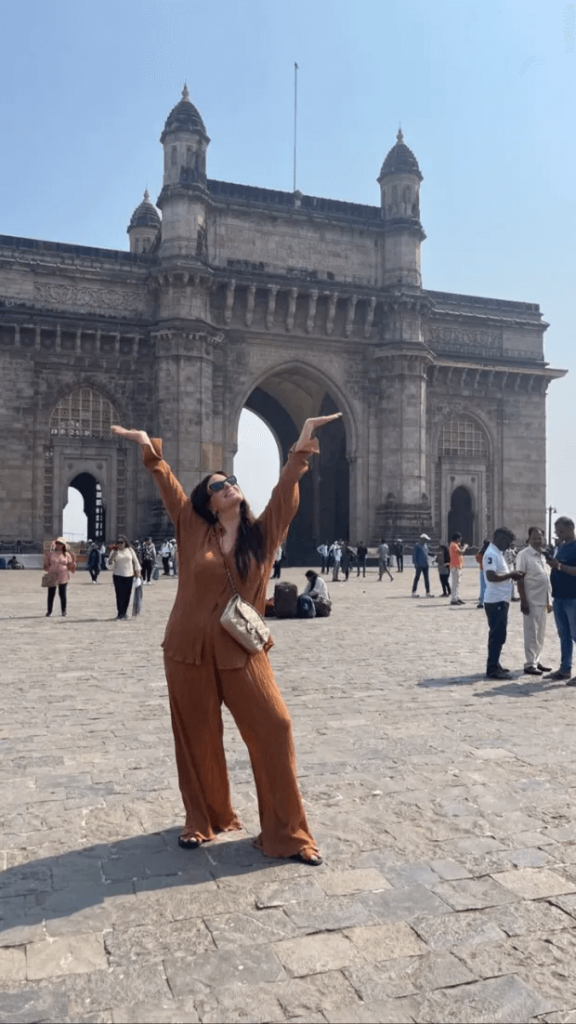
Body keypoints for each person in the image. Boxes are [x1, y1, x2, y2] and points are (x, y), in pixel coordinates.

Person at [111, 412, 341, 866]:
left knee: (275, 728)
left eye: (231, 480)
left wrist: (301, 445)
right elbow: (169, 484)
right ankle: (203, 818)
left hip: (241, 649)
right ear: (209, 503)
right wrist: (149, 448)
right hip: (187, 648)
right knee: (196, 735)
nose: (227, 486)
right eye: (217, 486)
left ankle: (288, 832)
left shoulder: (263, 533)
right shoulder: (192, 527)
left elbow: (285, 494)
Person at [482, 527, 525, 679]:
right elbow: (491, 576)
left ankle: (496, 663)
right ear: (500, 538)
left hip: (500, 599)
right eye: (508, 542)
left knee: (500, 634)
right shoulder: (492, 554)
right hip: (496, 600)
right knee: (497, 634)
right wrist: (511, 574)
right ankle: (492, 668)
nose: (509, 546)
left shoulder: (498, 554)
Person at [516, 527, 552, 676]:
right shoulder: (523, 555)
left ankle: (536, 660)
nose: (537, 541)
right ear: (528, 539)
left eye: (540, 538)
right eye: (535, 538)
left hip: (544, 600)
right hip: (531, 600)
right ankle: (529, 663)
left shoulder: (543, 556)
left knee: (540, 633)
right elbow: (519, 578)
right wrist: (523, 600)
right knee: (531, 632)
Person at [544, 516, 576, 684]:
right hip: (559, 597)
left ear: (572, 527)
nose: (559, 534)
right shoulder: (561, 547)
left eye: (562, 531)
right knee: (564, 635)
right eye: (557, 532)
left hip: (573, 597)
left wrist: (559, 566)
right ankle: (565, 669)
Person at [107, 536, 141, 619]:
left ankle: (124, 612)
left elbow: (136, 562)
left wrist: (138, 574)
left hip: (129, 575)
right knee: (119, 595)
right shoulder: (114, 551)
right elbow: (109, 564)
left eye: (121, 542)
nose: (120, 544)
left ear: (125, 542)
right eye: (118, 542)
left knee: (127, 595)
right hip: (118, 575)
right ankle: (120, 613)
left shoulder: (130, 550)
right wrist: (114, 553)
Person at [44, 537, 76, 617]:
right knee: (51, 594)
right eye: (57, 543)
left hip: (63, 575)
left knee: (62, 594)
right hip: (52, 575)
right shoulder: (50, 553)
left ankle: (63, 610)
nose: (58, 545)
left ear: (63, 545)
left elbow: (71, 566)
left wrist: (74, 560)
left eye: (60, 543)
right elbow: (46, 566)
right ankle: (49, 611)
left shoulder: (67, 555)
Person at [449, 532, 468, 606]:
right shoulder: (453, 545)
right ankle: (453, 599)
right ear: (457, 538)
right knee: (455, 584)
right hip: (455, 566)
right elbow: (461, 552)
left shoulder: (455, 545)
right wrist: (465, 547)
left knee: (457, 583)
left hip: (458, 566)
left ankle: (457, 597)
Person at [476, 539, 490, 608]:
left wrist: (481, 562)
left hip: (482, 570)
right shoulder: (491, 552)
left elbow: (477, 558)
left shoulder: (481, 552)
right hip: (490, 570)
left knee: (483, 587)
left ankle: (481, 602)